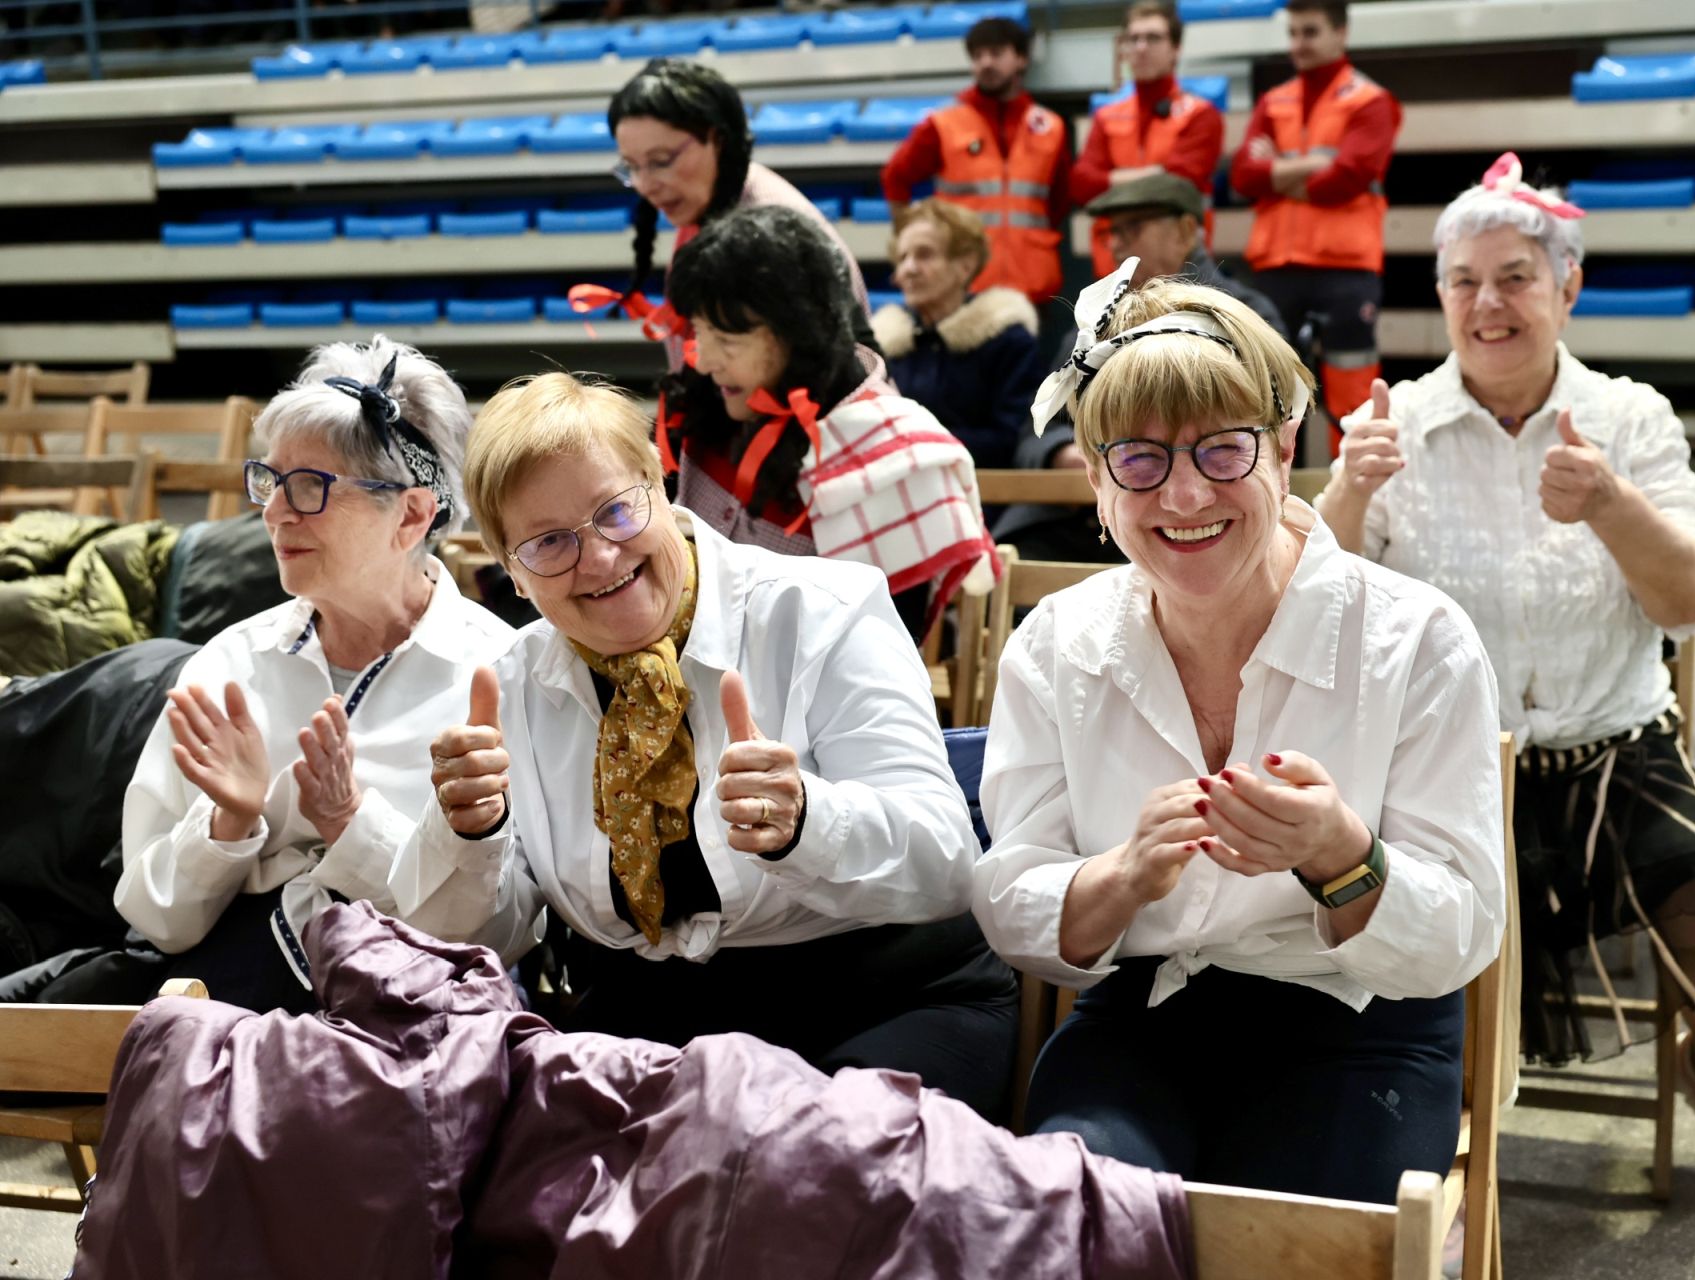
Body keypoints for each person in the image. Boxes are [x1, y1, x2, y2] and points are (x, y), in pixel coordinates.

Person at [1315, 154, 1695, 1217]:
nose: (1487, 304)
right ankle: (1418, 1113)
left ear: (1567, 288)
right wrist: (1346, 490)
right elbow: (1320, 602)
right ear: (1440, 295)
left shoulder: (1629, 417)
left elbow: (1688, 603)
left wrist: (1612, 505)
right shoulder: (1391, 423)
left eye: (1514, 277)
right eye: (1463, 282)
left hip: (1611, 745)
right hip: (1444, 758)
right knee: (1387, 905)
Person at [973, 263, 1506, 1200]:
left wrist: (1346, 858)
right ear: (1096, 477)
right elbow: (1013, 900)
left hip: (1363, 1023)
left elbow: (1462, 936)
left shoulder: (1415, 640)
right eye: (1140, 460)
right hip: (1148, 1010)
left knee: (1284, 1237)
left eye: (1223, 450)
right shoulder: (1057, 644)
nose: (1184, 497)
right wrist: (1120, 876)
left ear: (1285, 441)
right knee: (1073, 1217)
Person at [389, 372, 1019, 1122]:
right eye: (550, 542)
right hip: (654, 1020)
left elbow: (946, 862)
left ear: (660, 485)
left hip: (883, 1002)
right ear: (512, 572)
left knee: (806, 1184)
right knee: (524, 1187)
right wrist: (470, 834)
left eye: (615, 511)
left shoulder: (821, 610)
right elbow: (467, 937)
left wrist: (808, 822)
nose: (597, 559)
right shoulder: (513, 684)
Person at [107, 337, 514, 1013]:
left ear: (412, 514)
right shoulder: (233, 663)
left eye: (311, 487)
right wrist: (230, 823)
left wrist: (352, 823)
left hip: (420, 1032)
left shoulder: (495, 675)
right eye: (270, 480)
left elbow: (504, 932)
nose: (274, 511)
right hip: (232, 1012)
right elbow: (155, 919)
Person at [656, 204, 997, 642]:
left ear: (799, 330)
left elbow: (886, 654)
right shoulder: (700, 407)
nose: (704, 360)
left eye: (726, 338)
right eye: (698, 333)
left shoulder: (896, 458)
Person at [995, 173, 1280, 563]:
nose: (1114, 244)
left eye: (1132, 230)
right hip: (1086, 515)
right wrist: (1070, 454)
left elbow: (1269, 432)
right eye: (1112, 233)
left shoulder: (1247, 318)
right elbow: (1034, 436)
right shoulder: (1092, 324)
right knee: (1012, 557)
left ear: (1184, 231)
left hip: (1205, 512)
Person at [585, 58, 870, 367]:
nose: (644, 185)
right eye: (631, 167)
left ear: (718, 140)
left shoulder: (773, 236)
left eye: (662, 160)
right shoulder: (706, 207)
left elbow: (840, 377)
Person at [1229, 0, 1402, 459]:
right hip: (1275, 266)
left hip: (1344, 268)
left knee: (1352, 397)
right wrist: (1309, 168)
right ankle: (1269, 491)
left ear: (1341, 34)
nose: (1298, 44)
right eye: (1293, 33)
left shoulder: (1371, 101)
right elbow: (1243, 177)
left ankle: (1357, 491)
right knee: (1267, 395)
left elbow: (1343, 179)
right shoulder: (1274, 100)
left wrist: (1277, 169)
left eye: (1310, 32)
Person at [880, 16, 1072, 306]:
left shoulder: (1051, 126)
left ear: (1021, 59)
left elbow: (1058, 204)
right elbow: (895, 178)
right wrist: (911, 242)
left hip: (1032, 285)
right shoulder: (943, 124)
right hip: (964, 284)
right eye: (978, 56)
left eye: (996, 54)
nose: (985, 63)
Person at [872, 198, 1046, 471]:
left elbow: (1013, 440)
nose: (909, 269)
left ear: (965, 266)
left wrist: (916, 441)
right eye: (902, 258)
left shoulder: (1008, 340)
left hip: (988, 494)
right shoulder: (882, 347)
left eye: (924, 254)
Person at [1071, 0, 1225, 278]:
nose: (1141, 47)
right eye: (1134, 39)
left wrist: (1111, 179)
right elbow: (1082, 184)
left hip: (1179, 271)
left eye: (1153, 38)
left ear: (1175, 49)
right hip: (1113, 271)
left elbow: (1179, 182)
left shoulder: (1201, 114)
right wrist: (1157, 173)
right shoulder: (1107, 116)